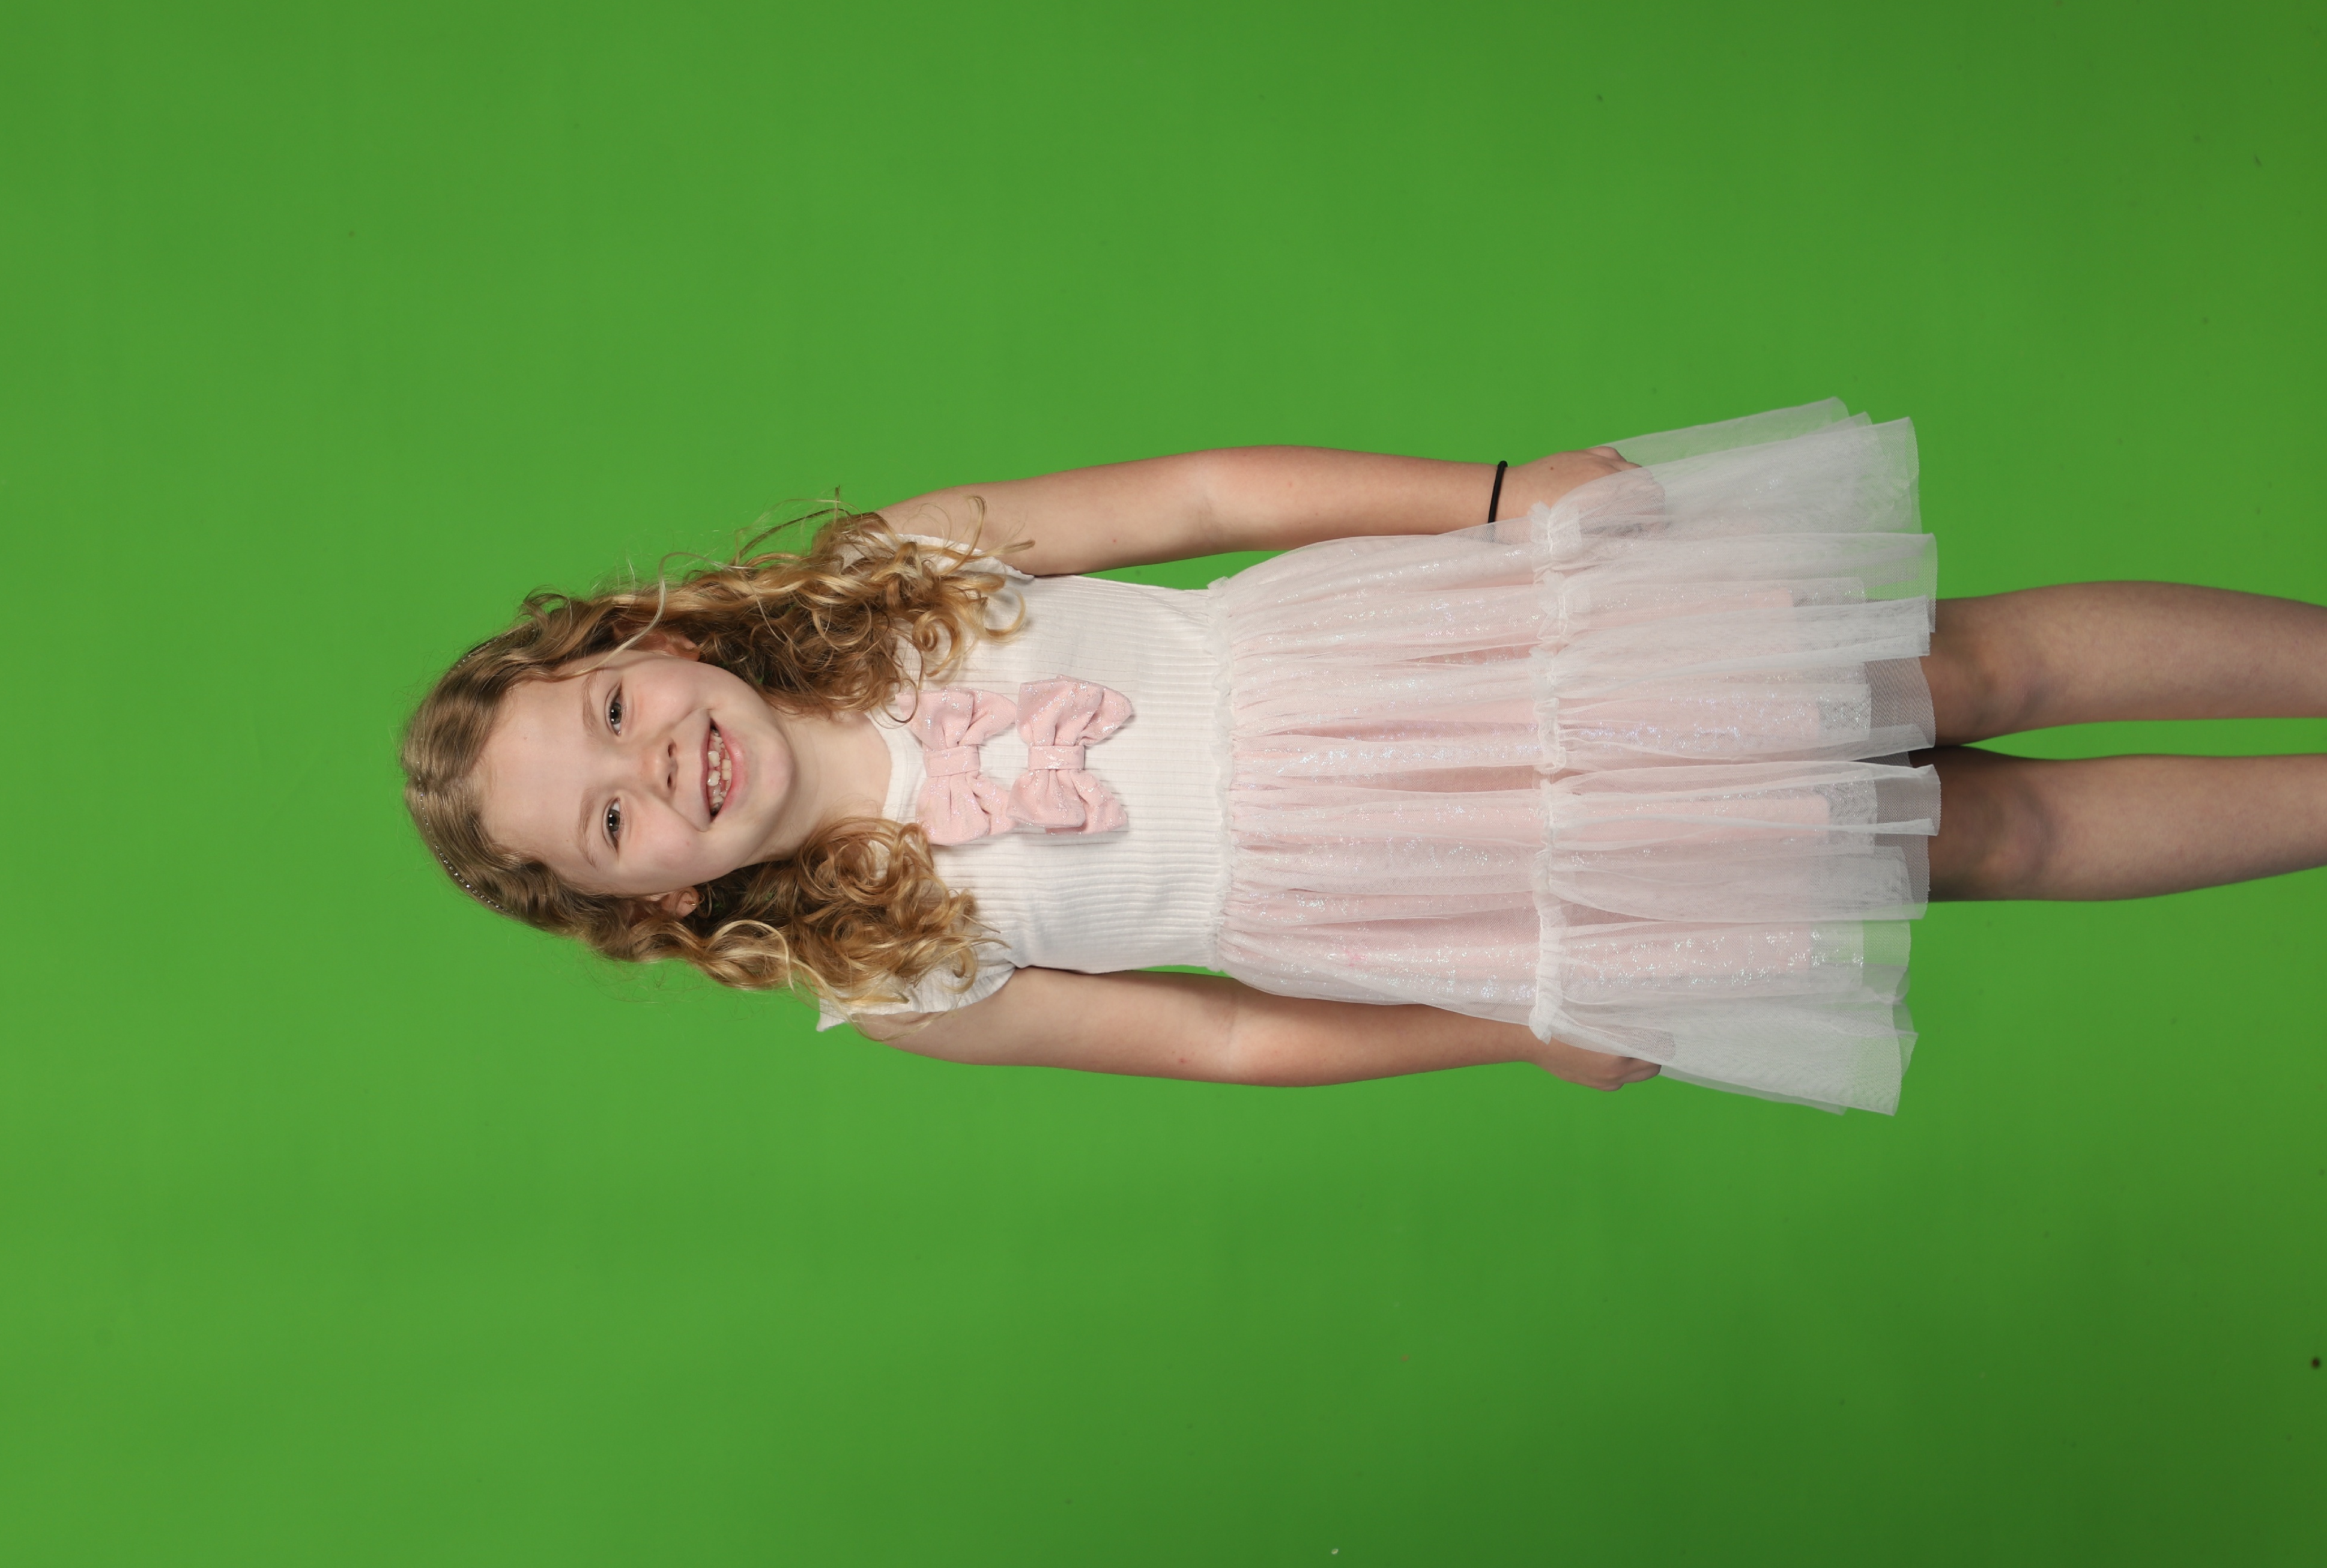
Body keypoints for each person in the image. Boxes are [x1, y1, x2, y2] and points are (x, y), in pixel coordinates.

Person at [401, 401, 2327, 1113]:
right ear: (653, 907)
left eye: (615, 717)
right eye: (612, 823)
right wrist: (1523, 1019)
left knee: (1956, 662)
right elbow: (1223, 1045)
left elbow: (1204, 491)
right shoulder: (897, 984)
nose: (659, 768)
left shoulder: (894, 572)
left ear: (645, 644)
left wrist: (1496, 499)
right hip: (1456, 890)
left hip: (1476, 659)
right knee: (1975, 843)